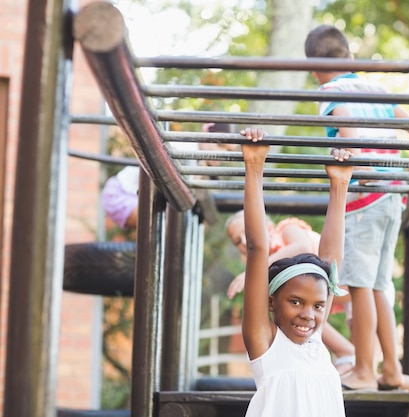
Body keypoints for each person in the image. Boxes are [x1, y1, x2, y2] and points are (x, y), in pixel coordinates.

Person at [305, 24, 409, 391]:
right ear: (351, 59)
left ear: (312, 68)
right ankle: (390, 370)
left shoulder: (330, 90)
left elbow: (349, 138)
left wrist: (365, 170)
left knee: (358, 286)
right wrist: (404, 179)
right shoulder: (377, 88)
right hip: (391, 198)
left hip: (363, 199)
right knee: (377, 287)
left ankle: (362, 368)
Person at [239, 126, 353, 417]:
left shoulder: (314, 340)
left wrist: (339, 185)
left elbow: (330, 260)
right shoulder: (266, 343)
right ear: (270, 301)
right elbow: (257, 249)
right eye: (295, 302)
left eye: (318, 305)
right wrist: (254, 166)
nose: (309, 314)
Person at [225, 210, 356, 374]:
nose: (244, 241)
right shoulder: (270, 268)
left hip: (349, 282)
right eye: (237, 241)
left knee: (305, 309)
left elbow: (301, 247)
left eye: (247, 233)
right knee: (303, 313)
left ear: (269, 228)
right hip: (323, 295)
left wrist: (253, 271)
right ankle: (342, 362)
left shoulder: (287, 228)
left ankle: (355, 363)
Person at [101, 122, 237, 230]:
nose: (222, 153)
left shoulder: (202, 163)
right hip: (121, 192)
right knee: (168, 223)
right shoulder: (184, 149)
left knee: (172, 222)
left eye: (228, 151)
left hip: (139, 195)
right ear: (205, 131)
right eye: (220, 145)